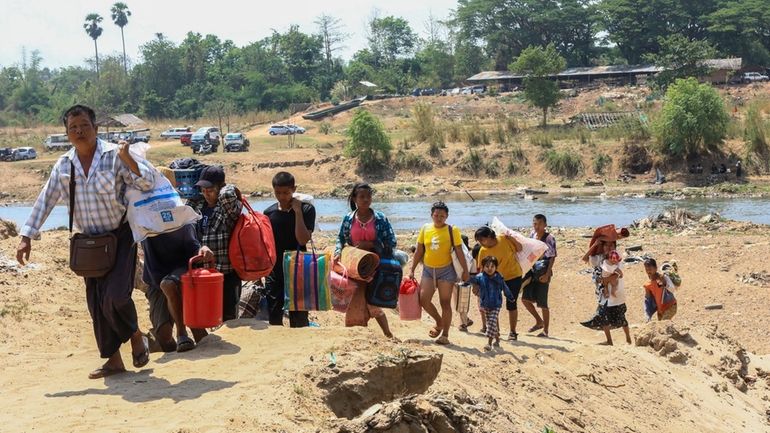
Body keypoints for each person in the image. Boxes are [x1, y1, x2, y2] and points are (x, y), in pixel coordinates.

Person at [16, 104, 155, 379]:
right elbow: (46, 199)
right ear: (67, 133)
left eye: (84, 126)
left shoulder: (116, 155)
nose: (79, 131)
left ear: (96, 128)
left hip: (120, 236)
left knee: (116, 297)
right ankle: (113, 361)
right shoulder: (64, 164)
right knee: (97, 305)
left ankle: (136, 335)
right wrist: (26, 236)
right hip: (88, 244)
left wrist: (130, 160)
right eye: (72, 128)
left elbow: (149, 183)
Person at [142, 167, 207, 353]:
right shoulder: (142, 212)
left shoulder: (180, 212)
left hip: (181, 272)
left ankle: (182, 333)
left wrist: (202, 249)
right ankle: (175, 342)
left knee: (169, 285)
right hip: (155, 275)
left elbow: (192, 244)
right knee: (163, 337)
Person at [333, 183, 396, 338]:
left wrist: (373, 245)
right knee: (354, 299)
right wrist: (337, 252)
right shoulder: (348, 218)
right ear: (355, 198)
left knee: (372, 299)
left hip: (374, 267)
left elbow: (392, 241)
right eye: (362, 196)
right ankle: (355, 336)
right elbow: (340, 238)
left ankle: (387, 333)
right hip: (354, 267)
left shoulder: (380, 218)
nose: (366, 199)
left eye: (368, 196)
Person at [408, 201, 469, 345]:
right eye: (436, 215)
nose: (439, 218)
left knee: (445, 302)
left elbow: (459, 251)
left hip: (446, 271)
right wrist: (411, 269)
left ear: (447, 216)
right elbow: (419, 251)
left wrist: (465, 270)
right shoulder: (425, 228)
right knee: (423, 300)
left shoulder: (452, 230)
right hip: (428, 270)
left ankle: (445, 335)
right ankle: (439, 322)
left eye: (442, 215)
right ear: (431, 215)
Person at [187, 165, 243, 321]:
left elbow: (227, 195)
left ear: (221, 187)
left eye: (210, 189)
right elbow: (183, 210)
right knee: (207, 316)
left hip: (226, 274)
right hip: (203, 273)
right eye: (203, 190)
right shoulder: (198, 206)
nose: (206, 194)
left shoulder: (228, 208)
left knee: (228, 319)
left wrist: (226, 186)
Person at [264, 171, 315, 328]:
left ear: (294, 189)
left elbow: (302, 239)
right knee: (274, 316)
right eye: (278, 193)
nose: (282, 197)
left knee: (299, 316)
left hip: (299, 270)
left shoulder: (306, 210)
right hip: (275, 270)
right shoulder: (269, 213)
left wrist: (298, 212)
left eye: (286, 192)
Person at [474, 226, 523, 341]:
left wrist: (511, 238)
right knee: (492, 305)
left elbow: (519, 248)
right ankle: (496, 331)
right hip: (494, 279)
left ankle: (513, 332)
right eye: (479, 241)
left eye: (482, 240)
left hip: (513, 275)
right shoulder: (483, 250)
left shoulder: (504, 240)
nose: (481, 243)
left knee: (511, 304)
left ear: (490, 236)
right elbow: (481, 269)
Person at [521, 214, 556, 338]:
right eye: (535, 223)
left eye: (539, 224)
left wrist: (547, 274)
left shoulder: (549, 238)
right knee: (525, 299)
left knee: (543, 303)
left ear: (545, 225)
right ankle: (538, 321)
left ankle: (546, 330)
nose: (537, 226)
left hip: (543, 272)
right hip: (532, 270)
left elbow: (552, 257)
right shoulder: (532, 235)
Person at [469, 256, 514, 351]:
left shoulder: (499, 278)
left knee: (491, 323)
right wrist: (464, 277)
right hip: (485, 304)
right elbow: (471, 280)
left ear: (496, 267)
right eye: (487, 266)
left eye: (492, 266)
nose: (489, 268)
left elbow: (505, 288)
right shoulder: (480, 277)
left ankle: (489, 343)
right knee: (491, 323)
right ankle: (497, 339)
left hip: (496, 304)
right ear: (483, 267)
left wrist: (510, 297)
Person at [599, 250, 631, 345]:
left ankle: (612, 341)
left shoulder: (613, 265)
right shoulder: (610, 264)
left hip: (614, 299)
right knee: (621, 319)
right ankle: (627, 339)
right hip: (617, 297)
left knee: (604, 317)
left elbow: (608, 279)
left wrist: (605, 281)